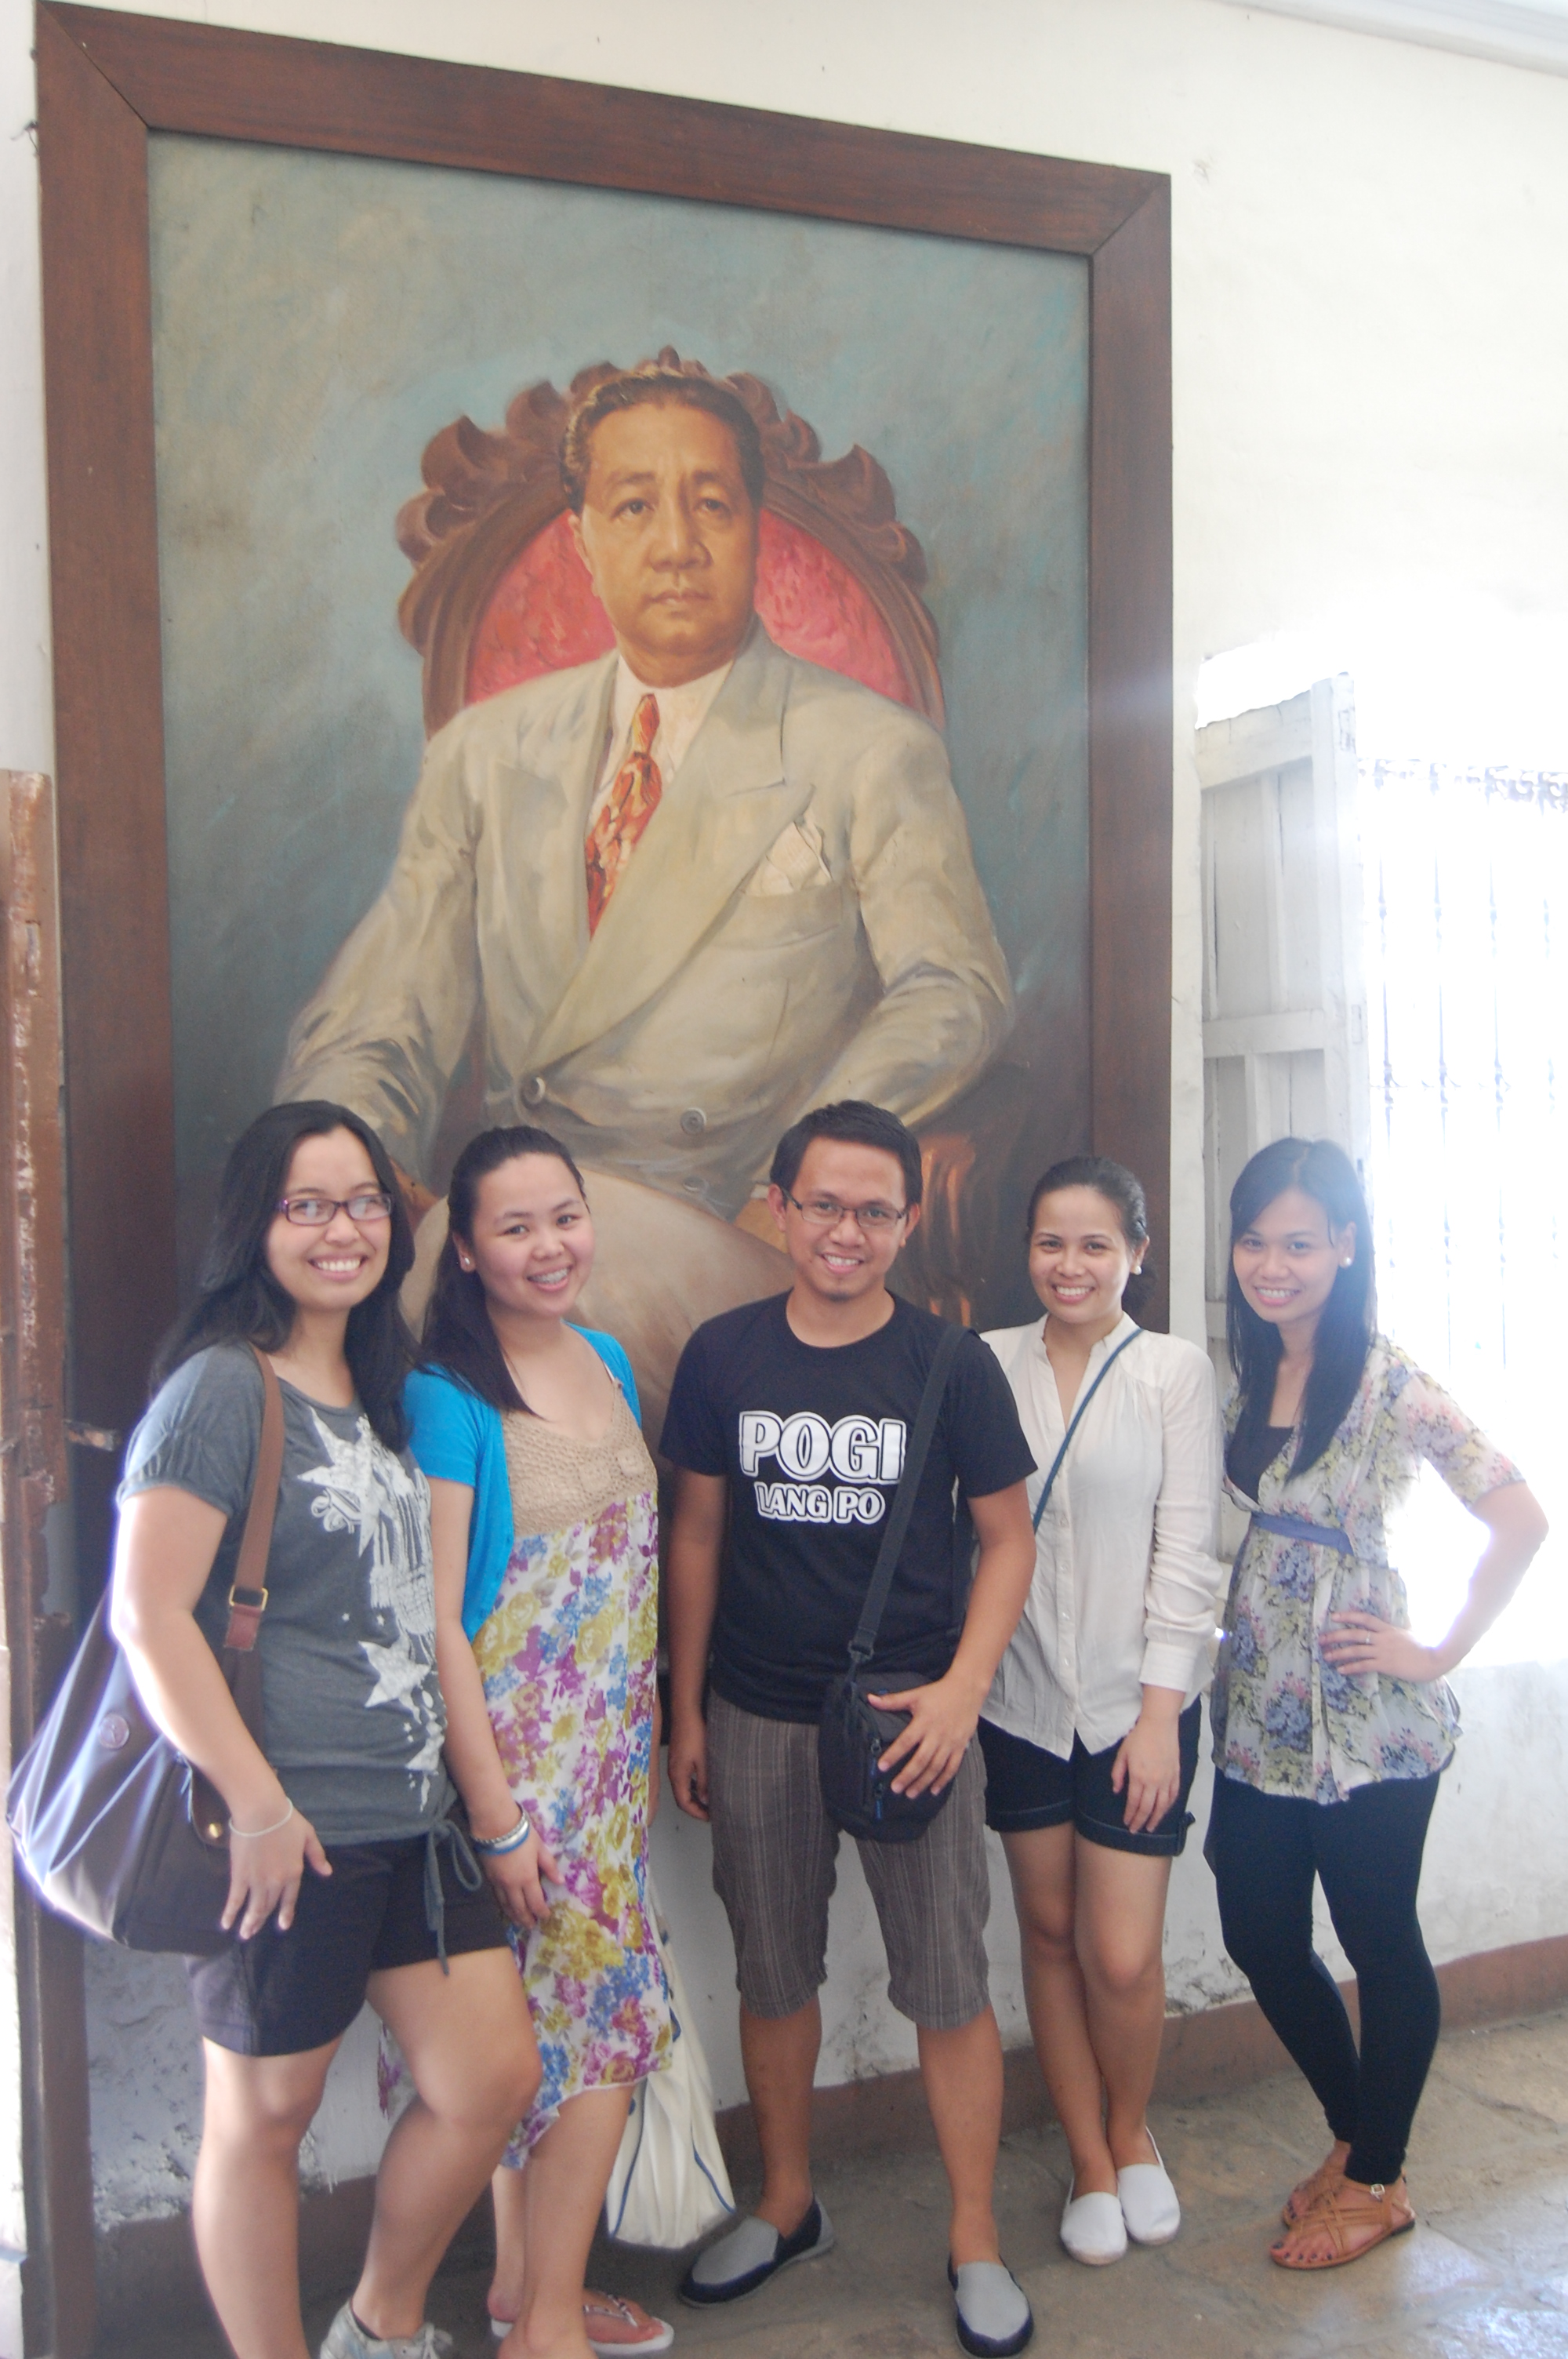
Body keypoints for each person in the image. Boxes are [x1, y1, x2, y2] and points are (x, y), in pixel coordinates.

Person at [277, 358, 1012, 1433]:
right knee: (437, 1272)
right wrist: (363, 1175)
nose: (676, 543)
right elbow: (380, 1015)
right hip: (512, 1220)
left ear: (755, 527)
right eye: (634, 506)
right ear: (582, 539)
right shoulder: (486, 754)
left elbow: (954, 989)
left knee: (541, 1283)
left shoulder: (868, 750)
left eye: (711, 504)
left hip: (734, 1231)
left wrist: (803, 1182)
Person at [110, 1101, 537, 2359]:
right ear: (259, 1224)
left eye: (363, 1204)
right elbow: (147, 1615)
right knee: (266, 2116)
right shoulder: (220, 1388)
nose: (342, 1229)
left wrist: (479, 1802)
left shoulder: (383, 1391)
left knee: (492, 2080)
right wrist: (256, 1805)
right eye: (308, 1205)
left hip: (414, 1818)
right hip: (290, 1827)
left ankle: (378, 2327)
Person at [662, 1100, 1040, 2359]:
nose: (847, 1231)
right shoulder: (722, 1356)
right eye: (824, 1204)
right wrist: (686, 1709)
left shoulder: (951, 1363)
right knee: (773, 1971)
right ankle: (787, 2203)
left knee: (947, 1982)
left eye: (876, 1211)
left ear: (908, 1221)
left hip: (912, 1718)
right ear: (779, 1206)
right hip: (756, 1711)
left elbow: (1008, 1540)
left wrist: (964, 1691)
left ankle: (975, 2236)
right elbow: (696, 1536)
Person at [1210, 1136, 1548, 2270]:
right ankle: (1360, 2139)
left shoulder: (1391, 1380)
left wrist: (1437, 1649)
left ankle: (1379, 2179)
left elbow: (1520, 1516)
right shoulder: (1251, 1366)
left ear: (1346, 1247)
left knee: (1378, 1942)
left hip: (1368, 1727)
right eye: (1254, 1242)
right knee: (1259, 1932)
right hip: (1259, 1715)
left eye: (1300, 1244)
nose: (1273, 1266)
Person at [402, 1125, 672, 2359]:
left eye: (565, 1216)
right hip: (520, 1780)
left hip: (608, 1770)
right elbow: (439, 1626)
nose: (549, 1246)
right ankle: (549, 2327)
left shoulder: (605, 1358)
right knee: (600, 2039)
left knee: (555, 2038)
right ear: (465, 1250)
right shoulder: (445, 1397)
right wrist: (498, 1817)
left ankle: (521, 2286)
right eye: (514, 1228)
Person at [978, 1156, 1223, 2266]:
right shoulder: (987, 1364)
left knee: (1120, 1955)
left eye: (1093, 1244)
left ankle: (1131, 2134)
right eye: (1050, 1242)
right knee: (1048, 1933)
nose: (1068, 1265)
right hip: (1021, 1702)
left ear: (1137, 1253)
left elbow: (1189, 1552)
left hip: (1138, 1706)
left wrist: (1161, 1716)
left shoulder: (1173, 1371)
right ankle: (1086, 2157)